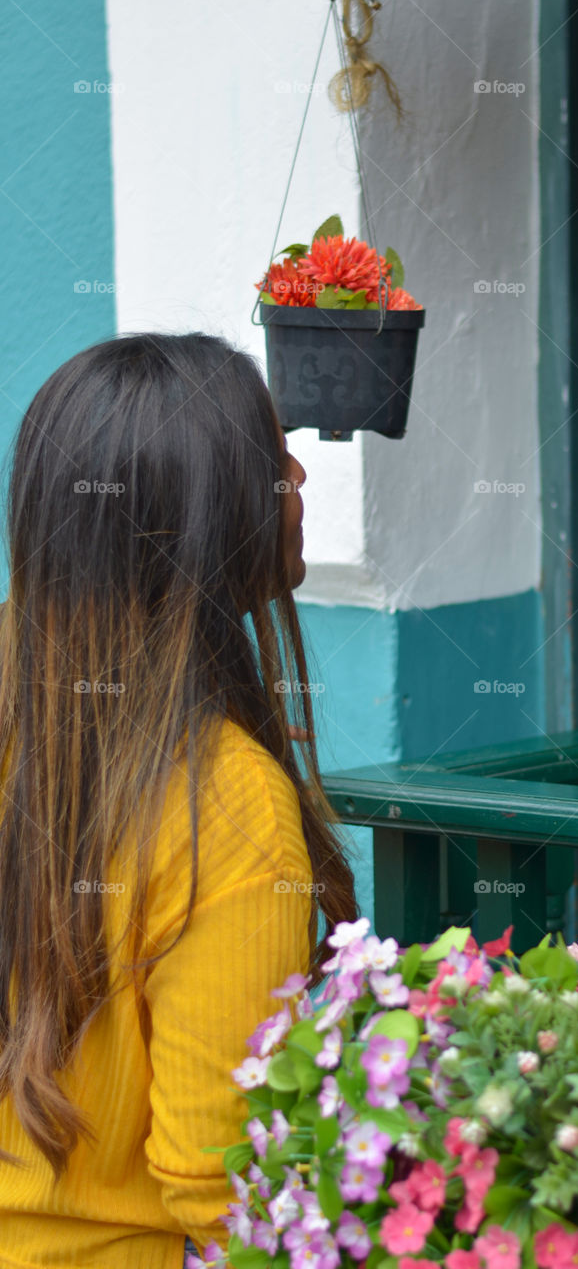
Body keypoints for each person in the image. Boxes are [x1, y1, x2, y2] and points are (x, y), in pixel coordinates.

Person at [0, 332, 357, 1267]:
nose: (296, 478)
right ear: (208, 518)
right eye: (273, 460)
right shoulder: (229, 806)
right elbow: (224, 1183)